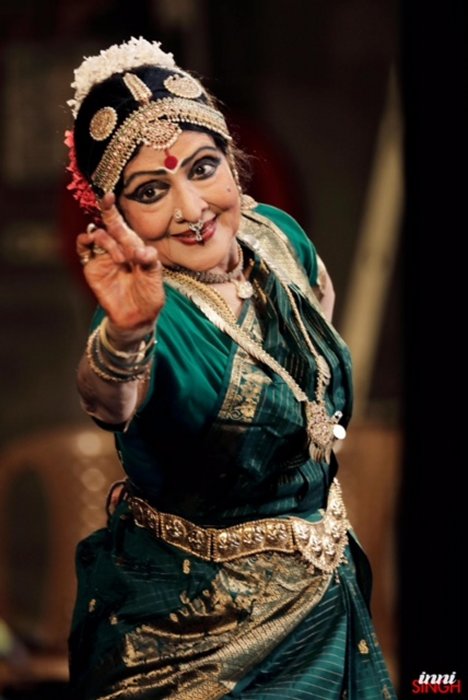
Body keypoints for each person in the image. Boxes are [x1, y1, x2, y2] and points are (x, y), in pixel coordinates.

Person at [65, 36, 396, 699]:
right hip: (197, 639)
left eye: (204, 167)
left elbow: (319, 347)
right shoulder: (150, 315)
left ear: (233, 160)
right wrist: (127, 333)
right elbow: (109, 399)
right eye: (152, 191)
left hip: (324, 599)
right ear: (115, 215)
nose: (191, 211)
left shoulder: (276, 236)